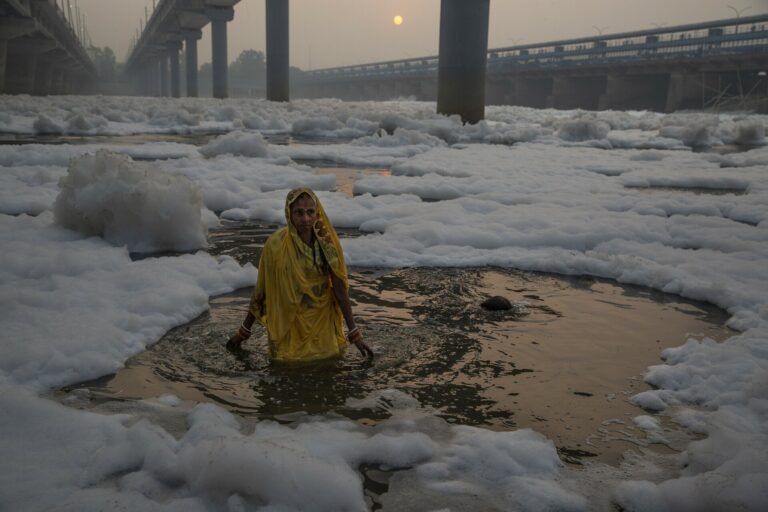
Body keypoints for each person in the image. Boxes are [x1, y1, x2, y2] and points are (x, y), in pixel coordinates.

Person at [227, 187, 374, 361]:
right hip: (289, 329)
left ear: (317, 212)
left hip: (322, 327)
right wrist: (244, 331)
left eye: (310, 212)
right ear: (289, 214)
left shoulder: (327, 245)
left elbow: (340, 290)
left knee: (328, 367)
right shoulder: (275, 246)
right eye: (299, 212)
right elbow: (262, 290)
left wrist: (354, 333)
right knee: (286, 369)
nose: (305, 218)